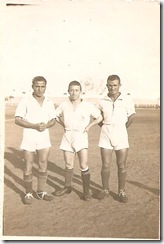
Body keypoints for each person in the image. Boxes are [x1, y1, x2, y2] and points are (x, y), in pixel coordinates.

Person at [54, 80, 102, 201]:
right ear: (68, 91)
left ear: (80, 91)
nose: (74, 92)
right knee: (69, 164)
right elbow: (55, 116)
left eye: (76, 90)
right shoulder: (64, 104)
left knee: (83, 165)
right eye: (71, 90)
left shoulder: (87, 105)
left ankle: (86, 192)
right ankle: (67, 187)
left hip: (80, 135)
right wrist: (63, 124)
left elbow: (99, 117)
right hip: (67, 135)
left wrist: (89, 127)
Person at [15, 76, 56, 204]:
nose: (40, 89)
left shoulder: (49, 101)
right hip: (29, 135)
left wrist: (46, 125)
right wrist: (34, 126)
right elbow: (17, 119)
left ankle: (41, 191)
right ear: (32, 86)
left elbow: (53, 120)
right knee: (28, 164)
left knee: (43, 162)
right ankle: (28, 193)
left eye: (42, 86)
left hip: (44, 136)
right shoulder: (25, 100)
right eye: (37, 86)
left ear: (45, 87)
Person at [97, 75, 135, 203]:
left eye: (115, 85)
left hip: (121, 133)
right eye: (110, 85)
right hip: (106, 133)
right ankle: (105, 189)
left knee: (121, 165)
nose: (112, 87)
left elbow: (131, 117)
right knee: (106, 165)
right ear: (107, 85)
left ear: (119, 85)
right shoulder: (102, 100)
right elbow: (98, 117)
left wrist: (122, 128)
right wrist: (106, 127)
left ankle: (121, 191)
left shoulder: (127, 99)